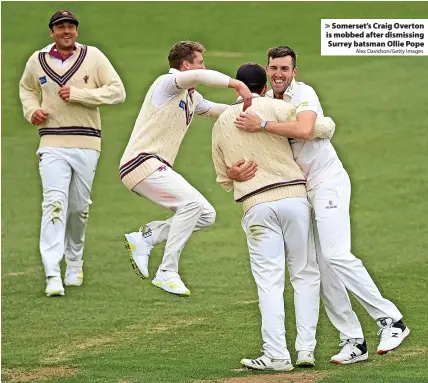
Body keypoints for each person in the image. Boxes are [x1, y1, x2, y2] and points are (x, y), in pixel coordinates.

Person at [231, 46, 410, 362]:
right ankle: (354, 340)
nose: (278, 74)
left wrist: (261, 125)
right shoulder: (267, 103)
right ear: (267, 69)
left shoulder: (304, 94)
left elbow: (303, 128)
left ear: (294, 71)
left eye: (285, 69)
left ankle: (391, 320)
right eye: (273, 68)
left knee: (336, 255)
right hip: (299, 193)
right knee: (323, 269)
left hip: (327, 183)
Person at [212, 63, 336, 370]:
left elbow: (224, 179)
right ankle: (306, 350)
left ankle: (277, 356)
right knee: (305, 274)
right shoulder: (277, 107)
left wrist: (234, 173)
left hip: (255, 205)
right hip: (294, 199)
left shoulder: (221, 123)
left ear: (237, 87)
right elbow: (321, 128)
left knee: (269, 282)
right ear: (264, 86)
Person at [120, 41, 253, 297]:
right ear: (185, 65)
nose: (203, 66)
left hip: (153, 166)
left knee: (205, 215)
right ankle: (167, 272)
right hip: (142, 162)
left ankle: (147, 237)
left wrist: (253, 109)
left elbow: (219, 111)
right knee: (190, 205)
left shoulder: (192, 96)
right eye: (199, 61)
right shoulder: (167, 84)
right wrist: (237, 84)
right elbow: (200, 76)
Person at [19, 10, 126, 297]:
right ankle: (52, 272)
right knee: (54, 203)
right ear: (52, 32)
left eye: (71, 26)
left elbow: (118, 92)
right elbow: (27, 89)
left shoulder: (93, 57)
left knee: (79, 208)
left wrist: (81, 95)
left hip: (87, 142)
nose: (66, 31)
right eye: (60, 27)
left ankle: (74, 260)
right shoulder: (38, 60)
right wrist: (32, 111)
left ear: (76, 31)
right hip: (52, 142)